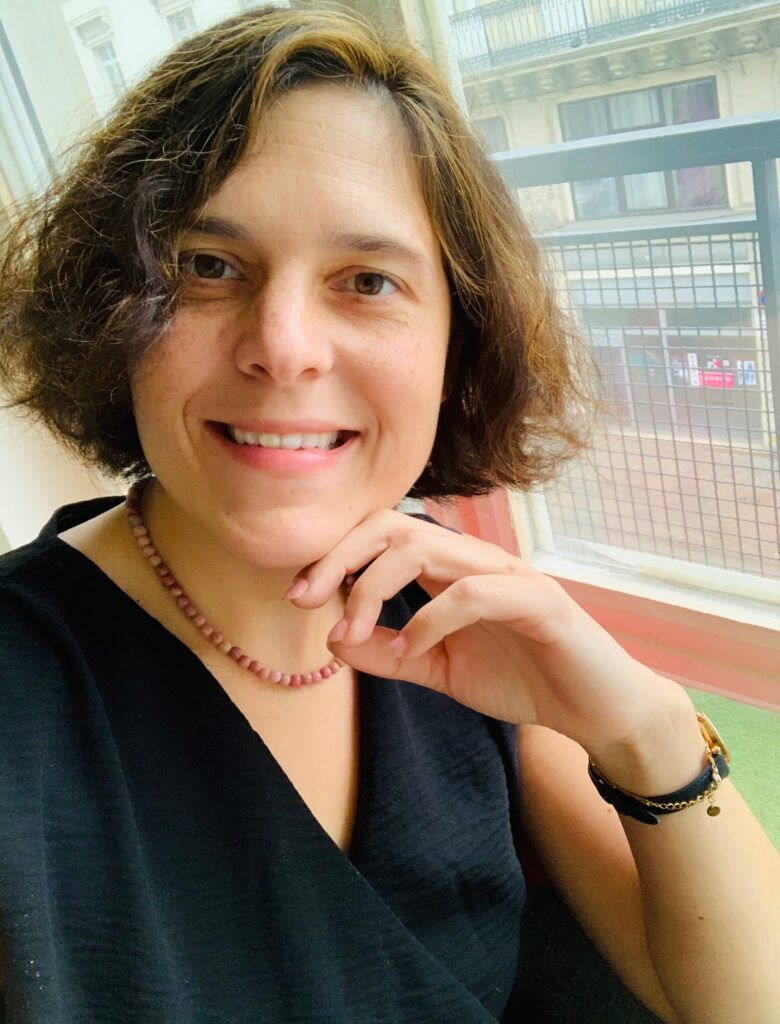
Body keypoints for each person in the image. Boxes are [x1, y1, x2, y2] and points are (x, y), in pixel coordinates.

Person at [0, 7, 777, 1023]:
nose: (284, 346)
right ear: (113, 307)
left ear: (459, 344)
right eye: (208, 266)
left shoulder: (449, 606)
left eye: (367, 281)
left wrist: (647, 728)